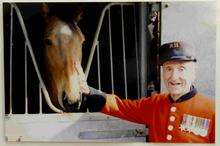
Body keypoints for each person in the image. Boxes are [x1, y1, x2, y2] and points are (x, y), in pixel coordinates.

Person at [65, 41, 215, 143]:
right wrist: (88, 90)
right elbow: (120, 106)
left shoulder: (213, 111)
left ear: (194, 72)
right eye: (168, 69)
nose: (174, 77)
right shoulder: (155, 104)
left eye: (182, 69)